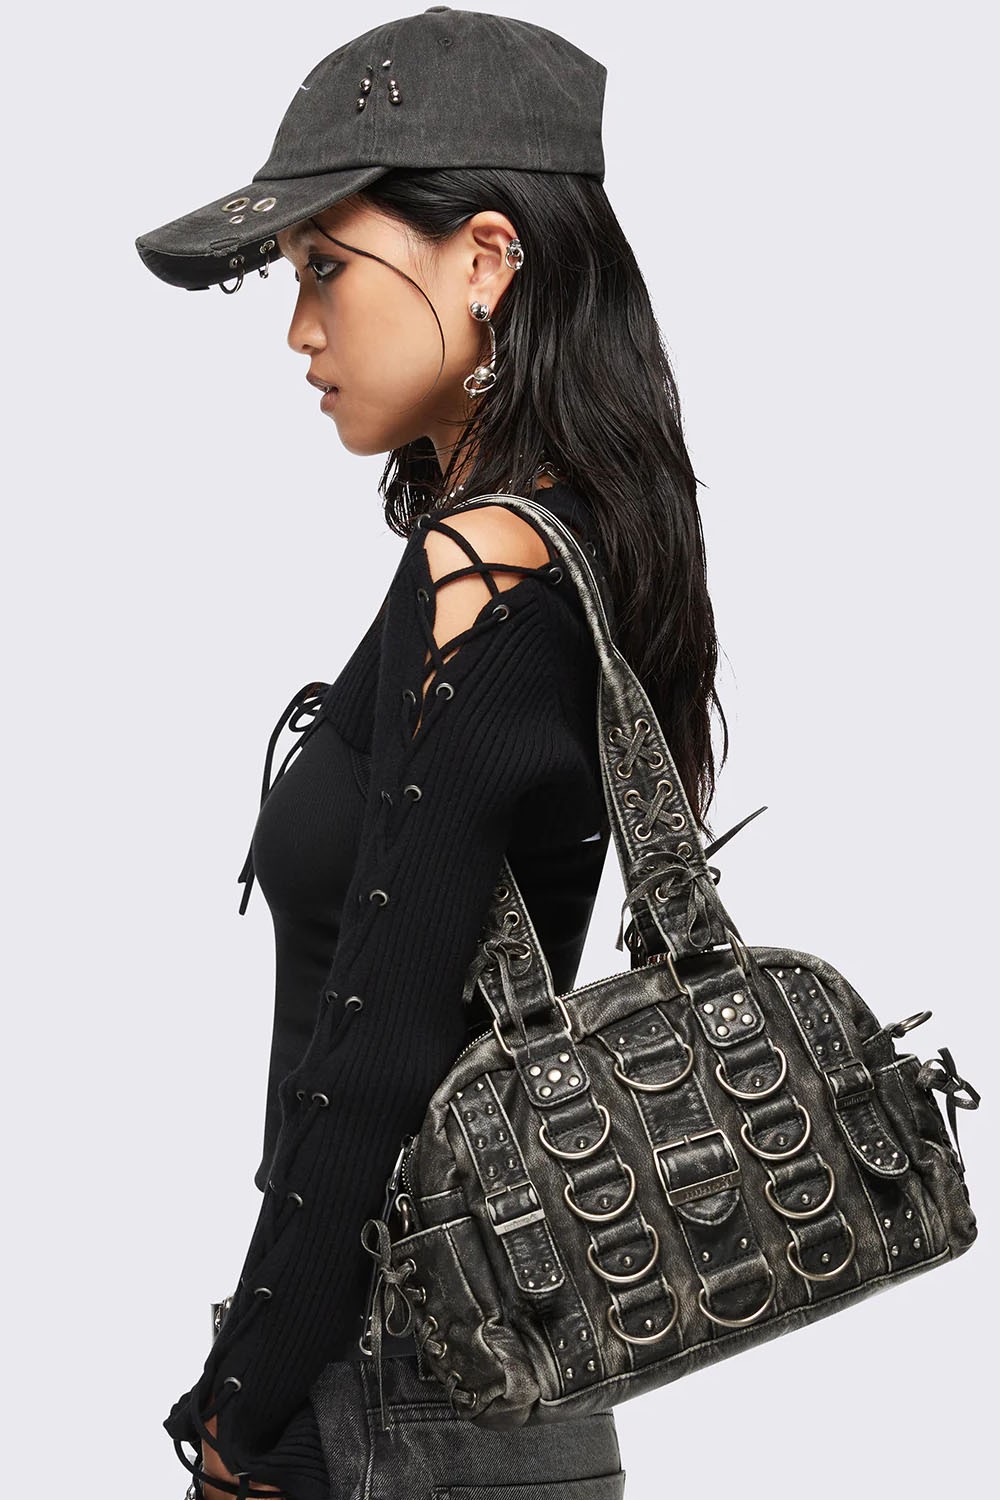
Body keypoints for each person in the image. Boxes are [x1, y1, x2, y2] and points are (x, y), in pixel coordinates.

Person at [135, 9, 728, 1498]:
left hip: (390, 1398)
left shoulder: (491, 566)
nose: (299, 330)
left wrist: (240, 1407)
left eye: (325, 267)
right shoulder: (583, 547)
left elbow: (386, 1041)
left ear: (483, 260)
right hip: (499, 1378)